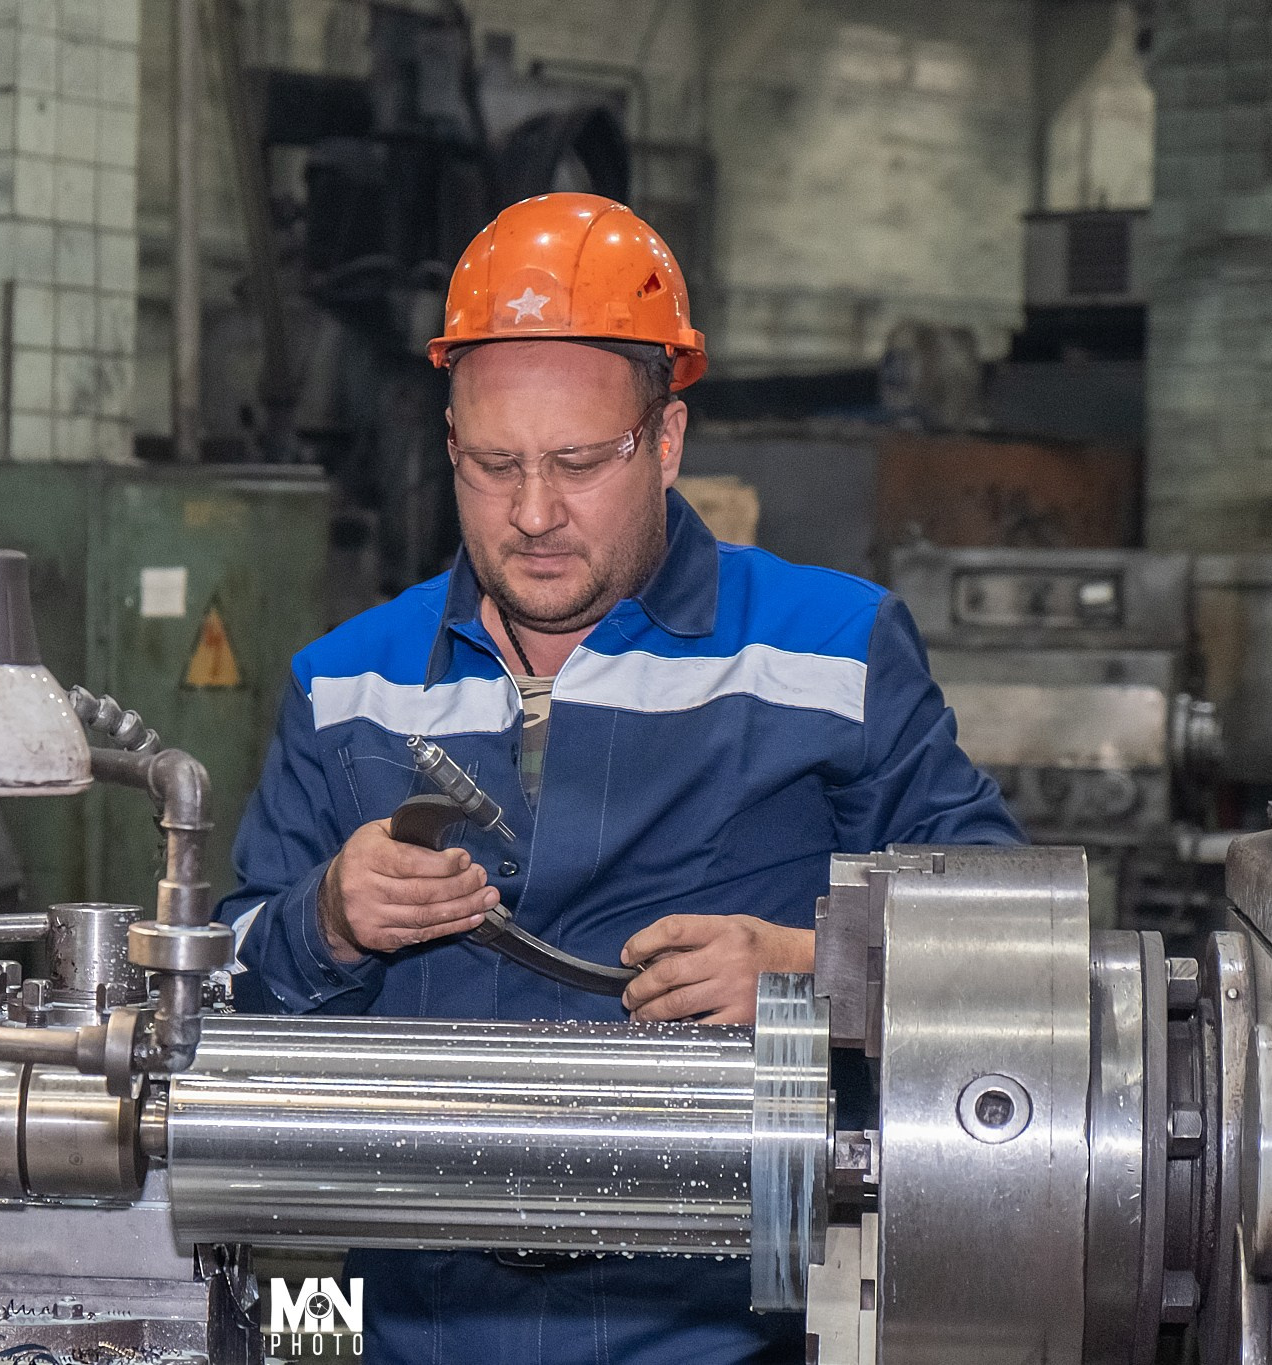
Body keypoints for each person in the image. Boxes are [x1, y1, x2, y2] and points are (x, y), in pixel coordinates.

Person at [215, 192, 1021, 1364]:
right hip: (406, 1329)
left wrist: (807, 969)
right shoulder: (349, 685)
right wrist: (324, 919)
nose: (532, 514)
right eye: (493, 466)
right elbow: (225, 998)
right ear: (448, 446)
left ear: (668, 440)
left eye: (579, 464)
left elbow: (1007, 941)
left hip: (723, 1328)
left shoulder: (824, 652)